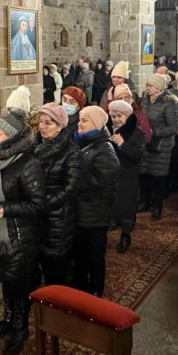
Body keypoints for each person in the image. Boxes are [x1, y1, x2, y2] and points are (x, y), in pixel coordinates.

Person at [0, 107, 45, 355]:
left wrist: (7, 209)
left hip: (18, 235)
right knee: (7, 280)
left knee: (20, 283)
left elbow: (38, 203)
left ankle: (19, 327)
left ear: (13, 137)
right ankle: (7, 319)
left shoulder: (27, 162)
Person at [34, 103, 86, 286]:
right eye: (40, 122)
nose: (42, 127)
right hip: (39, 216)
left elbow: (71, 187)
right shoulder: (39, 148)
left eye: (48, 123)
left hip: (58, 218)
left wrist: (46, 203)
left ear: (60, 125)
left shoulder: (72, 152)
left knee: (55, 270)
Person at [72, 106, 119, 295]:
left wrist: (75, 181)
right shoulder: (85, 143)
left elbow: (103, 181)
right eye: (79, 119)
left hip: (95, 213)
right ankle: (80, 288)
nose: (79, 124)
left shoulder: (104, 149)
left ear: (96, 124)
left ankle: (95, 292)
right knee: (80, 255)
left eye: (84, 120)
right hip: (82, 210)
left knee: (94, 256)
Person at [139, 74, 178, 220]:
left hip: (160, 146)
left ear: (159, 88)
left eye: (151, 86)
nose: (148, 88)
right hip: (145, 143)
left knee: (158, 177)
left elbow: (173, 127)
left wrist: (154, 132)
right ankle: (144, 202)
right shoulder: (145, 99)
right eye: (147, 85)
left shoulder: (168, 102)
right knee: (144, 174)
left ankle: (157, 207)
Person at [108, 100, 145, 253]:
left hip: (128, 174)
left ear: (128, 116)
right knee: (112, 202)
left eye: (120, 116)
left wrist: (122, 144)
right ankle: (114, 221)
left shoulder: (137, 132)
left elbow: (138, 154)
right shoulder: (108, 130)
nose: (116, 119)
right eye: (114, 116)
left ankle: (125, 234)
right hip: (112, 174)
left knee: (126, 205)